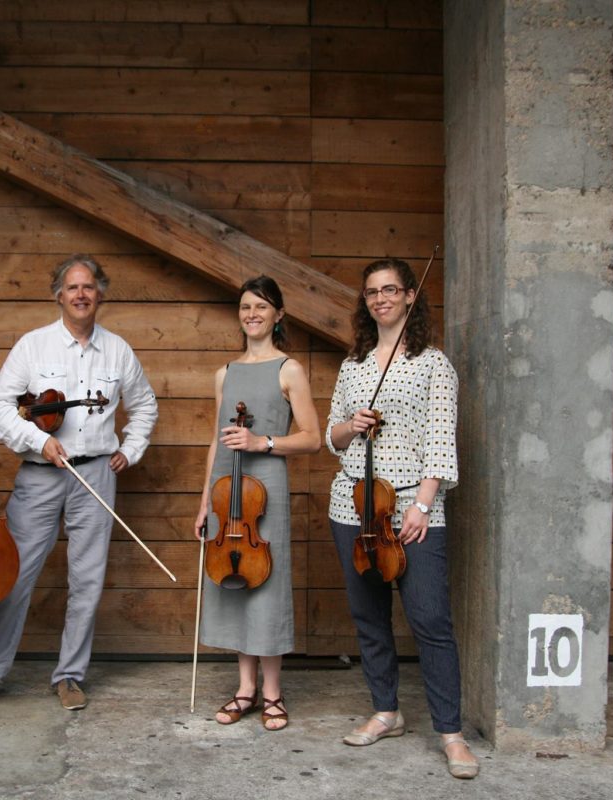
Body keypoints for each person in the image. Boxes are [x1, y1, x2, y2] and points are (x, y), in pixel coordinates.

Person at [0, 254, 158, 712]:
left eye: (89, 287)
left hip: (97, 473)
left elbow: (144, 406)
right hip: (41, 474)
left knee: (87, 579)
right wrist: (36, 440)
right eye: (72, 288)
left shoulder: (118, 350)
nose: (81, 295)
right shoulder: (33, 346)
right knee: (15, 575)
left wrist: (131, 448)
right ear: (58, 295)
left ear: (100, 294)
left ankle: (69, 675)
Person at [325, 258, 479, 779]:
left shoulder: (433, 364)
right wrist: (352, 424)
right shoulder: (355, 364)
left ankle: (451, 734)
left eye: (391, 290)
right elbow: (332, 437)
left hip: (412, 508)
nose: (381, 298)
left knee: (431, 621)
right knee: (370, 618)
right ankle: (386, 711)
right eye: (372, 292)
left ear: (411, 297)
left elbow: (440, 440)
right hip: (352, 503)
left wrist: (423, 505)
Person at [193, 276, 320, 731]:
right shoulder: (224, 373)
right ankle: (244, 690)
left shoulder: (289, 369)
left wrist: (261, 441)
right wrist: (205, 500)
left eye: (262, 307)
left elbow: (311, 438)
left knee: (266, 586)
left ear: (278, 314)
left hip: (266, 489)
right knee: (235, 583)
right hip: (227, 495)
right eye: (246, 306)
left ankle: (273, 693)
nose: (252, 314)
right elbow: (216, 439)